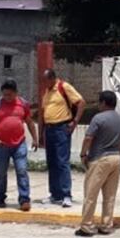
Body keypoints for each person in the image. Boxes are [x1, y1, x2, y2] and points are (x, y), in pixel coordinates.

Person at [75, 90, 120, 237]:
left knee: (91, 193)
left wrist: (83, 154)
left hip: (99, 159)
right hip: (115, 158)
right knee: (109, 195)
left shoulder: (98, 118)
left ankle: (87, 225)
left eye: (99, 102)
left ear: (103, 103)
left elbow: (88, 137)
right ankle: (106, 224)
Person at [0, 79, 38, 211]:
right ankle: (0, 197)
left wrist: (35, 138)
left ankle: (24, 199)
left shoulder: (23, 104)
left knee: (22, 170)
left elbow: (30, 122)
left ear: (16, 93)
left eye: (9, 95)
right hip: (1, 145)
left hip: (19, 143)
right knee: (1, 173)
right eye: (4, 95)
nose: (7, 97)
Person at [38, 69, 84, 208]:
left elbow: (81, 102)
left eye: (45, 80)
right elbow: (43, 112)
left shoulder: (63, 87)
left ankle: (66, 194)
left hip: (61, 128)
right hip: (49, 129)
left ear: (52, 78)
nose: (43, 83)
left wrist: (75, 121)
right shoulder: (46, 92)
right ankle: (55, 194)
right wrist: (41, 134)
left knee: (62, 162)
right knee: (51, 162)